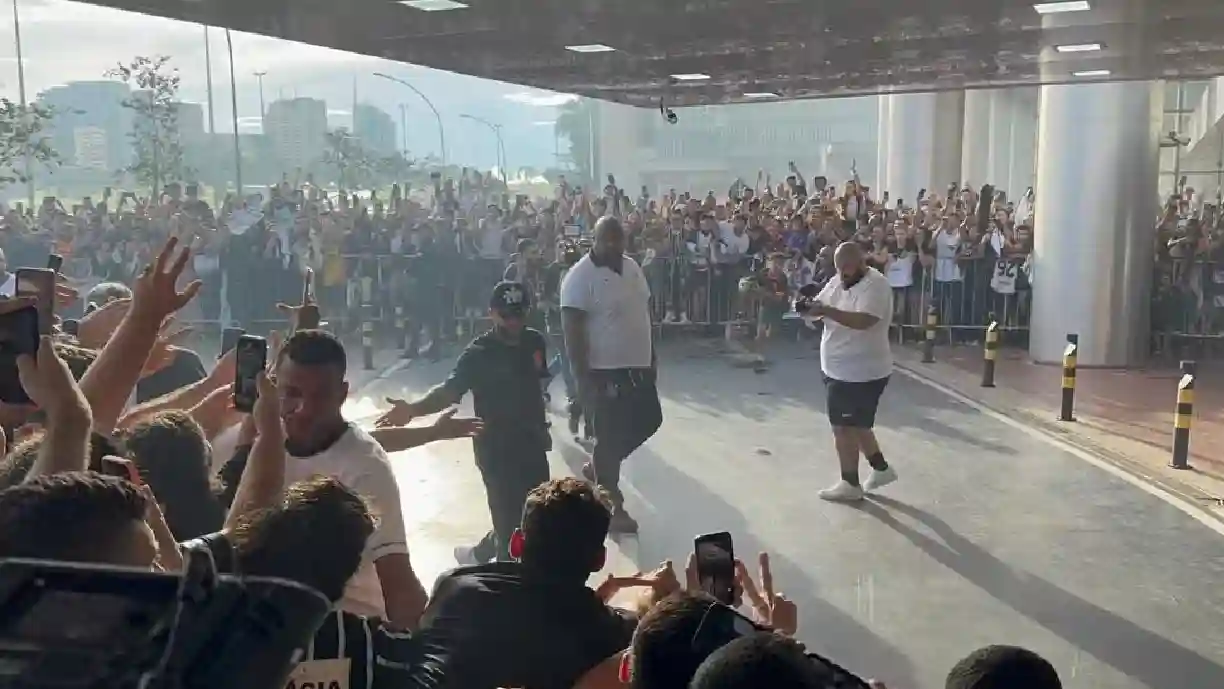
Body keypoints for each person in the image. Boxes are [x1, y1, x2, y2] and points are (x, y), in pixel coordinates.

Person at [220, 329, 428, 628]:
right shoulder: (245, 444)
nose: (304, 410)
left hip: (345, 628)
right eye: (292, 393)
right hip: (268, 628)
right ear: (273, 388)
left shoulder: (365, 466)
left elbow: (398, 583)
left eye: (320, 396)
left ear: (342, 394)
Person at [413, 477, 657, 689]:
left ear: (516, 543)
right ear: (599, 560)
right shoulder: (614, 634)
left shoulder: (454, 588)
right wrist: (659, 598)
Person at [378, 281, 551, 564]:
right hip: (496, 448)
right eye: (506, 316)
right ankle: (503, 574)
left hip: (531, 442)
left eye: (519, 315)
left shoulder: (535, 341)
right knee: (508, 524)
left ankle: (479, 554)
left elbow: (537, 383)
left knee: (537, 514)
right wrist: (412, 410)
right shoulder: (479, 353)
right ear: (492, 313)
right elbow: (449, 392)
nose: (513, 323)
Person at [561, 216, 661, 534]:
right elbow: (572, 335)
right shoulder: (579, 278)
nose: (613, 246)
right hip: (603, 372)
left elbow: (644, 314)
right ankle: (613, 505)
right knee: (608, 434)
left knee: (650, 419)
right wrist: (582, 383)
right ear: (595, 239)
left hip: (637, 366)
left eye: (618, 240)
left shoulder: (632, 267)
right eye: (607, 240)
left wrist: (652, 357)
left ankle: (602, 465)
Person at [805, 241, 897, 502]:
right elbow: (821, 305)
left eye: (847, 267)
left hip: (859, 372)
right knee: (858, 424)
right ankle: (881, 469)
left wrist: (827, 311)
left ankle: (850, 483)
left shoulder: (876, 285)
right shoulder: (837, 281)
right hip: (836, 368)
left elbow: (864, 320)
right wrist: (809, 308)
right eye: (839, 268)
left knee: (844, 427)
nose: (842, 273)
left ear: (861, 262)